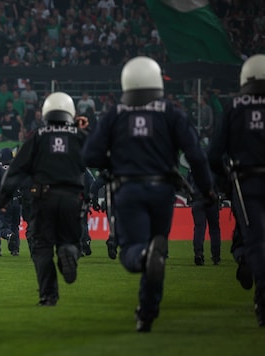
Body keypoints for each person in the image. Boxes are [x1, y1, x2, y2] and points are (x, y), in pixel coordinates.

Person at [82, 56, 215, 332]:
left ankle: (144, 259)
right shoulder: (171, 112)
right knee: (158, 247)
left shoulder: (115, 113)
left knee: (133, 251)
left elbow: (90, 155)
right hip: (163, 190)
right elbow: (197, 156)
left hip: (128, 189)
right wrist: (208, 190)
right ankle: (148, 310)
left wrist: (113, 161)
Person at [0, 92, 88, 307]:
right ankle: (69, 252)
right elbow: (102, 155)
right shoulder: (79, 135)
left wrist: (3, 198)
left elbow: (16, 169)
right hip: (72, 198)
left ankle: (48, 295)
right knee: (71, 240)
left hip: (43, 197)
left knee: (42, 248)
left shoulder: (37, 136)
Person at [208, 54, 265, 327]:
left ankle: (261, 295)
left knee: (255, 238)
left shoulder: (233, 107)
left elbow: (214, 153)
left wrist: (223, 183)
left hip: (245, 182)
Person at [188, 169, 221, 266]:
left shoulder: (193, 169)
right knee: (214, 228)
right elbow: (220, 183)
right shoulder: (214, 168)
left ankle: (198, 253)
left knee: (199, 228)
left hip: (197, 200)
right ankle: (216, 255)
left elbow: (188, 182)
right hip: (212, 200)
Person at [0, 147, 21, 256]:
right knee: (15, 226)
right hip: (16, 201)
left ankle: (8, 235)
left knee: (2, 226)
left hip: (5, 201)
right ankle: (15, 250)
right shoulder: (17, 168)